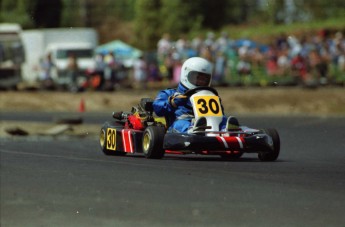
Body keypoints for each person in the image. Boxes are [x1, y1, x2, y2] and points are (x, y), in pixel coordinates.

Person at [153, 57, 238, 133]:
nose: (201, 82)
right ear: (186, 75)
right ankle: (193, 130)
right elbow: (157, 108)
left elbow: (218, 114)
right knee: (180, 124)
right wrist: (173, 103)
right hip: (181, 122)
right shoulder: (170, 93)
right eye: (197, 78)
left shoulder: (210, 95)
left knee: (223, 120)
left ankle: (226, 130)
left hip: (208, 123)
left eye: (204, 79)